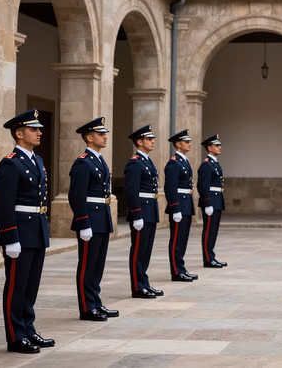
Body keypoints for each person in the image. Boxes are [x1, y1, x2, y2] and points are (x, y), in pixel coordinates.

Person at [0, 110, 54, 354]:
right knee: (17, 287)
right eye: (33, 129)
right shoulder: (10, 163)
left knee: (31, 285)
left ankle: (28, 328)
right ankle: (15, 336)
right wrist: (10, 237)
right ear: (19, 134)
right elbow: (2, 204)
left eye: (39, 129)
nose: (39, 132)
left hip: (37, 229)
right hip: (20, 231)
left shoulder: (36, 160)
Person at [69, 117, 119, 321]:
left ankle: (96, 302)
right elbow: (76, 195)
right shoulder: (83, 162)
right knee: (87, 265)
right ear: (89, 138)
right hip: (90, 218)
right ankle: (87, 307)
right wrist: (83, 222)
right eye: (100, 134)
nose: (105, 136)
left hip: (101, 217)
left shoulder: (98, 160)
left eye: (104, 133)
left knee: (98, 265)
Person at [125, 124, 162, 299]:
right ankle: (137, 286)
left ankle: (144, 282)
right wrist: (136, 214)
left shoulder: (147, 161)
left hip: (150, 210)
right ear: (139, 142)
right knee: (138, 250)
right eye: (149, 139)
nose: (153, 141)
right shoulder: (135, 163)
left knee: (146, 250)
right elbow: (131, 191)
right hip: (142, 211)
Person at [165, 129, 198, 282]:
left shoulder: (183, 161)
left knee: (183, 239)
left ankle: (181, 267)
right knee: (177, 240)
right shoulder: (174, 163)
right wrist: (175, 207)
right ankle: (176, 271)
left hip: (186, 203)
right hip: (179, 203)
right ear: (178, 144)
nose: (189, 144)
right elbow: (170, 187)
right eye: (186, 141)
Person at [198, 134, 226, 268]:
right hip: (211, 202)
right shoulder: (206, 165)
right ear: (209, 148)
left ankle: (211, 256)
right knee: (209, 230)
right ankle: (208, 258)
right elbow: (202, 186)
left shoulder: (214, 163)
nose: (220, 147)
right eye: (217, 145)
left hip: (217, 200)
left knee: (214, 230)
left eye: (220, 145)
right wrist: (207, 202)